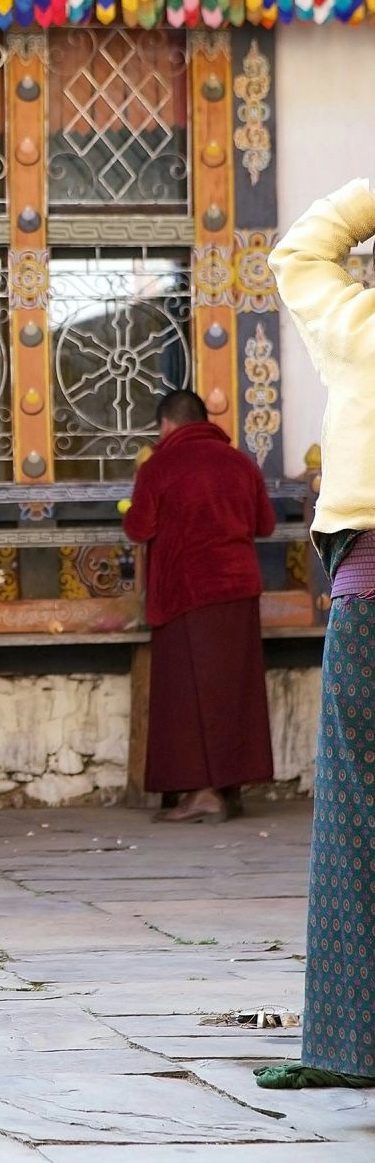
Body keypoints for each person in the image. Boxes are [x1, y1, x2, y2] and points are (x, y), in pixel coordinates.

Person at [251, 179, 375, 1091]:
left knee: (358, 811)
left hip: (369, 597)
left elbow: (300, 248)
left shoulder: (361, 333)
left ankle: (353, 1039)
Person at [123, 389, 276, 824]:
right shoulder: (241, 463)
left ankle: (203, 792)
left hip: (185, 592)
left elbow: (138, 527)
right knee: (233, 690)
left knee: (189, 695)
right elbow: (264, 524)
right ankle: (231, 787)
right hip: (239, 591)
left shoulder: (160, 466)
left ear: (166, 425)